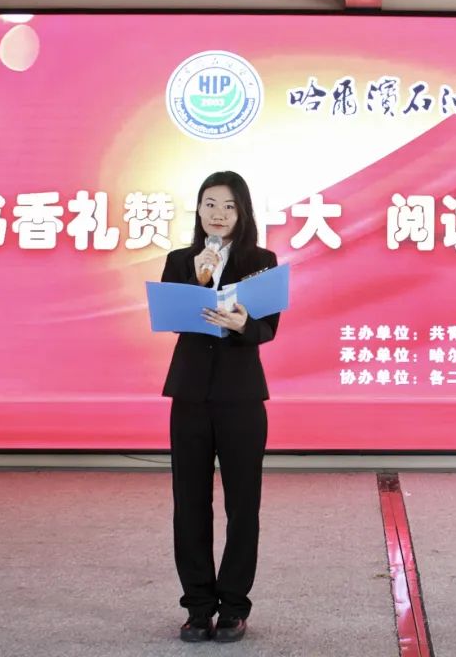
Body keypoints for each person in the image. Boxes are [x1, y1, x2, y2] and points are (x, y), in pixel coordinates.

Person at [159, 171, 280, 643]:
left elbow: (267, 329)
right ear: (198, 209)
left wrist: (242, 323)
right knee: (189, 503)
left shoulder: (261, 262)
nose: (218, 213)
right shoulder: (180, 260)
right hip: (189, 394)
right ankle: (197, 607)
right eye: (210, 204)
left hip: (241, 397)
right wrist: (199, 278)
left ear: (242, 211)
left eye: (228, 206)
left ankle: (233, 607)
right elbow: (172, 318)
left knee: (243, 505)